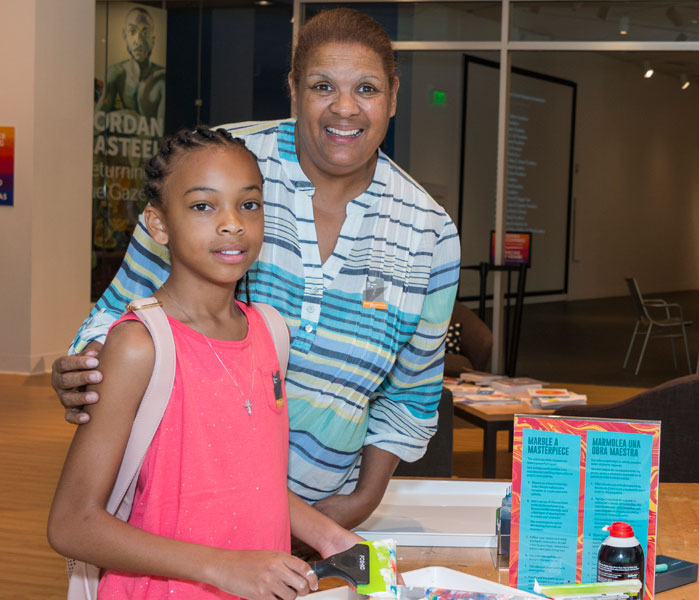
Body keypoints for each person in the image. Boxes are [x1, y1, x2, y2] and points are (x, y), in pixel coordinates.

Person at [53, 8, 461, 530]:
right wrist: (88, 370)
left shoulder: (429, 233)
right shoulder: (222, 169)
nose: (344, 108)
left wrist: (361, 500)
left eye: (366, 88)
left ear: (394, 97)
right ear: (293, 88)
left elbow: (413, 392)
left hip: (319, 512)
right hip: (175, 507)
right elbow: (119, 311)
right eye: (321, 86)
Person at [48, 128, 361, 599]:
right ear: (158, 225)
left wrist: (329, 536)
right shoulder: (139, 346)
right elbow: (72, 525)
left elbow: (254, 486)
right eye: (203, 206)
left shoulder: (271, 332)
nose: (232, 223)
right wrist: (222, 568)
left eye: (249, 204)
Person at [98, 6, 165, 120]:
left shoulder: (161, 79)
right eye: (133, 31)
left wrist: (134, 121)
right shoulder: (116, 74)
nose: (138, 41)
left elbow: (161, 133)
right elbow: (97, 122)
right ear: (125, 36)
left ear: (153, 40)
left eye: (146, 33)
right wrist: (121, 117)